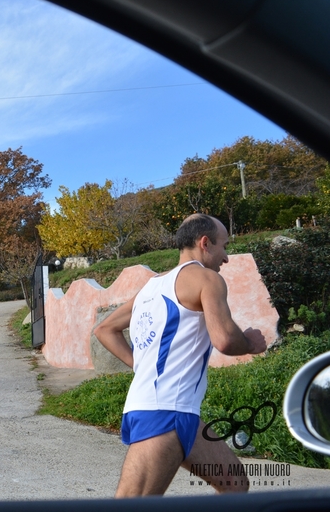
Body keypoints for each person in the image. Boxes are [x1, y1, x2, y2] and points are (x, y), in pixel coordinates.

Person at [94, 213, 268, 497]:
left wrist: (141, 365)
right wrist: (249, 343)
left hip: (178, 411)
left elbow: (104, 329)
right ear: (205, 243)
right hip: (164, 411)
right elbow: (224, 339)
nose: (226, 257)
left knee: (235, 484)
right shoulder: (207, 279)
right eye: (224, 246)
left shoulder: (151, 287)